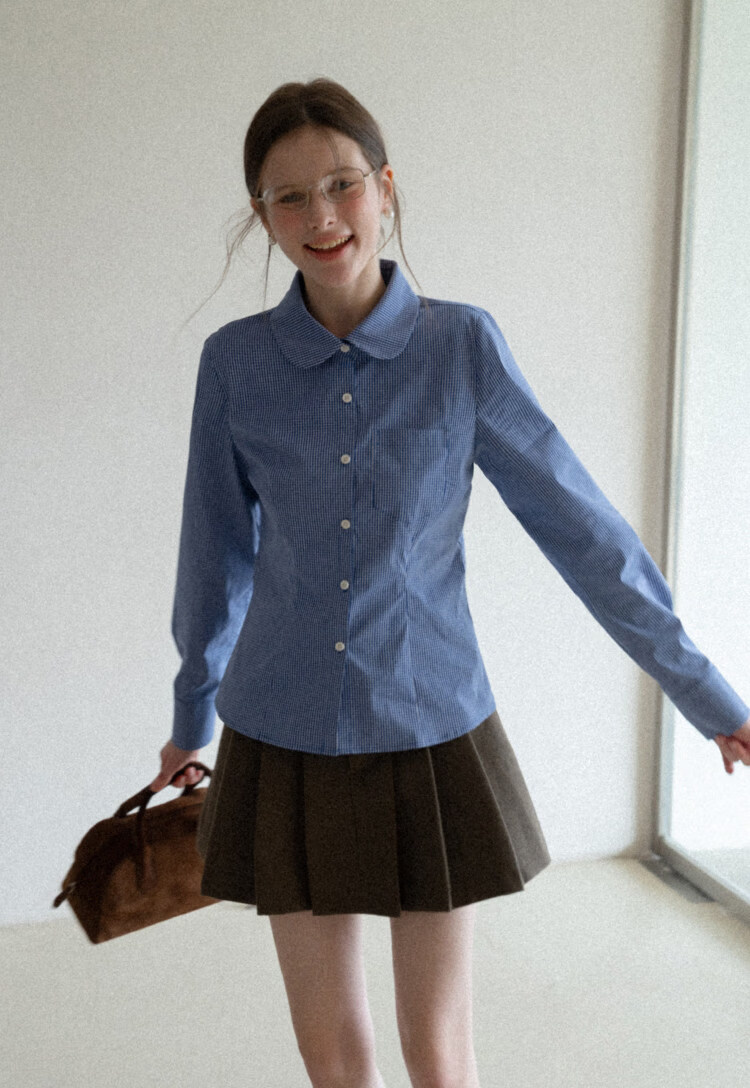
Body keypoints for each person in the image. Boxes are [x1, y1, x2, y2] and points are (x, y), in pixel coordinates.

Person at [150, 78, 750, 1088]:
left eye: (342, 184)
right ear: (262, 214)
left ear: (385, 188)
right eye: (290, 196)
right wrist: (188, 717)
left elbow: (583, 530)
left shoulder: (461, 347)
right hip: (281, 731)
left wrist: (710, 697)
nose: (321, 217)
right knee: (333, 1058)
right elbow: (213, 557)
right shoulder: (236, 364)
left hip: (430, 725)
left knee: (440, 1056)